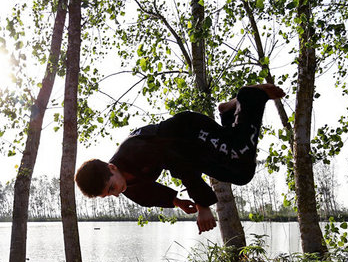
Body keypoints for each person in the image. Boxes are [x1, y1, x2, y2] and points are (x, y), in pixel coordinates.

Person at [75, 84, 285, 233]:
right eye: (108, 195)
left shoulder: (134, 151)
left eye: (111, 189)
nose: (115, 195)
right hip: (193, 150)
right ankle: (228, 111)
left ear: (111, 168)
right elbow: (146, 196)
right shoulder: (123, 182)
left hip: (190, 131)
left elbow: (181, 164)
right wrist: (177, 201)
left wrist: (203, 205)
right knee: (239, 173)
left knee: (240, 158)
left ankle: (249, 98)